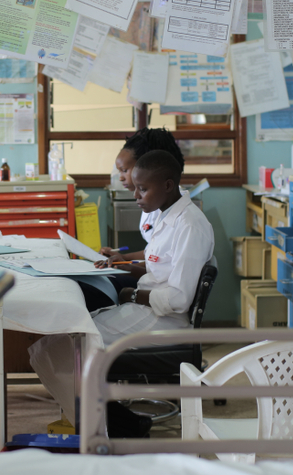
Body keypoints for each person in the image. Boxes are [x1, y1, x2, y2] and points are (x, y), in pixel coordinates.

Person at [30, 150, 214, 437]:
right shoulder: (168, 218)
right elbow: (159, 267)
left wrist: (131, 296)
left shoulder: (189, 226)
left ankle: (114, 428)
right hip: (149, 309)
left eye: (143, 189)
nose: (137, 195)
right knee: (52, 346)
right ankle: (118, 423)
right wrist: (120, 267)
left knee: (55, 350)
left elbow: (178, 299)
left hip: (163, 319)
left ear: (168, 185)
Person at [77, 128, 187, 311]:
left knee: (89, 291)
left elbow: (165, 268)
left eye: (125, 170)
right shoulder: (153, 202)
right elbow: (155, 252)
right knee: (87, 283)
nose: (120, 177)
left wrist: (126, 267)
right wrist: (122, 259)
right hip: (151, 279)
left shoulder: (174, 210)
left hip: (158, 289)